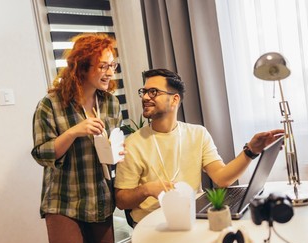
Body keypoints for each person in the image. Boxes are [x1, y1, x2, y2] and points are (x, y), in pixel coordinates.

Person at [114, 68, 284, 226]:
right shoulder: (133, 143)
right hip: (153, 223)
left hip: (192, 216)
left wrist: (251, 151)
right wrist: (147, 189)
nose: (145, 97)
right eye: (144, 92)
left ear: (174, 99)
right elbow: (121, 201)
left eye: (153, 92)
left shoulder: (198, 134)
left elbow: (221, 178)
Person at [31, 33, 123, 243]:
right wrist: (74, 132)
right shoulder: (51, 104)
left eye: (112, 65)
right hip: (63, 200)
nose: (110, 72)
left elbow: (112, 146)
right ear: (81, 67)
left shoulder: (110, 103)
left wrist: (119, 151)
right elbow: (41, 153)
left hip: (100, 198)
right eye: (103, 66)